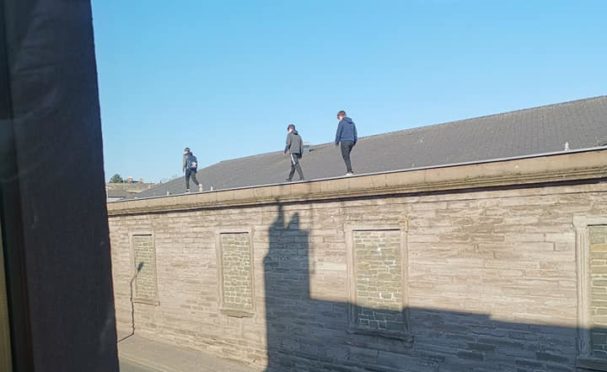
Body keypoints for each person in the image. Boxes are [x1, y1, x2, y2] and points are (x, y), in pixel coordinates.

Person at [335, 110, 357, 175]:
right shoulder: (352, 123)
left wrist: (337, 141)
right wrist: (354, 141)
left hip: (345, 141)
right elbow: (355, 133)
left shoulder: (342, 123)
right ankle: (349, 170)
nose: (338, 119)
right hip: (351, 141)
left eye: (338, 118)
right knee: (347, 156)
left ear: (341, 116)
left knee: (345, 156)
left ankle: (349, 171)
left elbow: (338, 132)